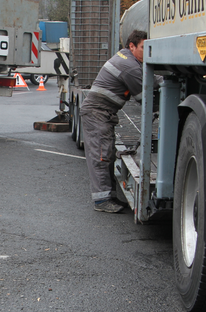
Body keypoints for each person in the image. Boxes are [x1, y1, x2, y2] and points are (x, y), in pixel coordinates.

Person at [80, 30, 162, 213]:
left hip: (101, 114)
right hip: (98, 114)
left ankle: (108, 196)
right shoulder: (130, 66)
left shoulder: (129, 60)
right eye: (143, 47)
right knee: (101, 155)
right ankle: (102, 201)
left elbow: (147, 78)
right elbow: (144, 96)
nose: (146, 51)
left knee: (106, 153)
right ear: (132, 46)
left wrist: (163, 81)